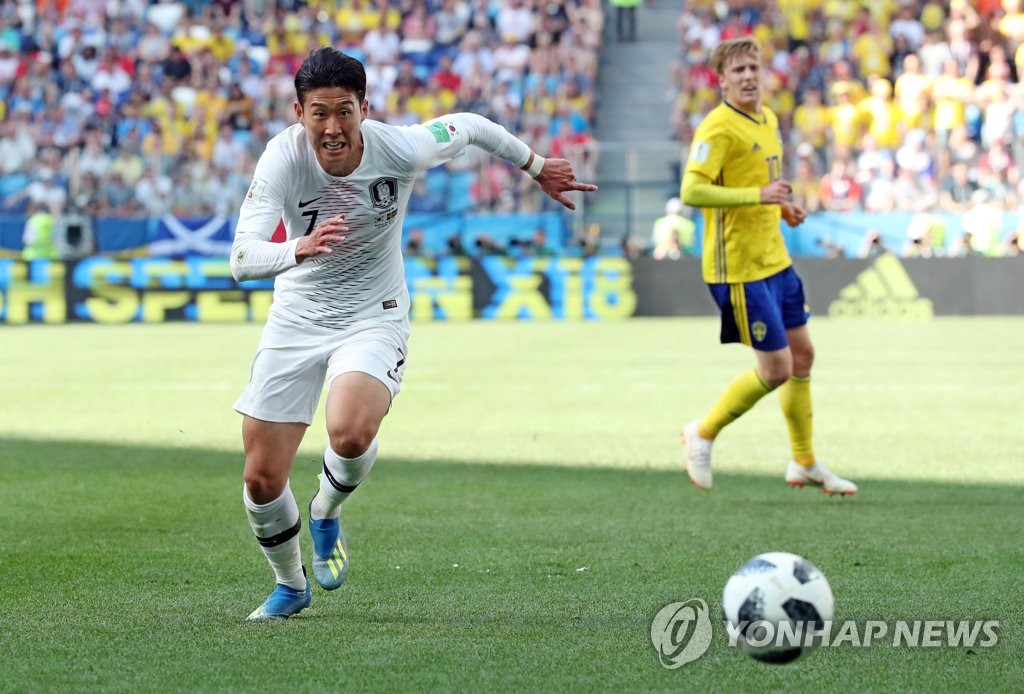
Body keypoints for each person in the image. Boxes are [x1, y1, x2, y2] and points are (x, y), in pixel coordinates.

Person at [228, 47, 597, 621]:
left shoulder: (399, 148)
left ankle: (326, 509)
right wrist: (297, 247)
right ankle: (290, 584)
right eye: (319, 113)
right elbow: (241, 258)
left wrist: (535, 165)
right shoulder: (282, 157)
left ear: (364, 108)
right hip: (298, 316)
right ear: (299, 113)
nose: (333, 127)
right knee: (260, 477)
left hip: (373, 312)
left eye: (344, 111)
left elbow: (469, 126)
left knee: (350, 431)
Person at [679, 36, 857, 496]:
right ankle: (702, 432)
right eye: (737, 70)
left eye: (753, 68)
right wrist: (758, 196)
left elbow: (766, 183)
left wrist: (782, 207)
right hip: (738, 268)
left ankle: (804, 462)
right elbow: (692, 191)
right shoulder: (717, 129)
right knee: (777, 369)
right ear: (722, 80)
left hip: (775, 258)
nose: (748, 77)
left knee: (803, 357)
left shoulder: (768, 119)